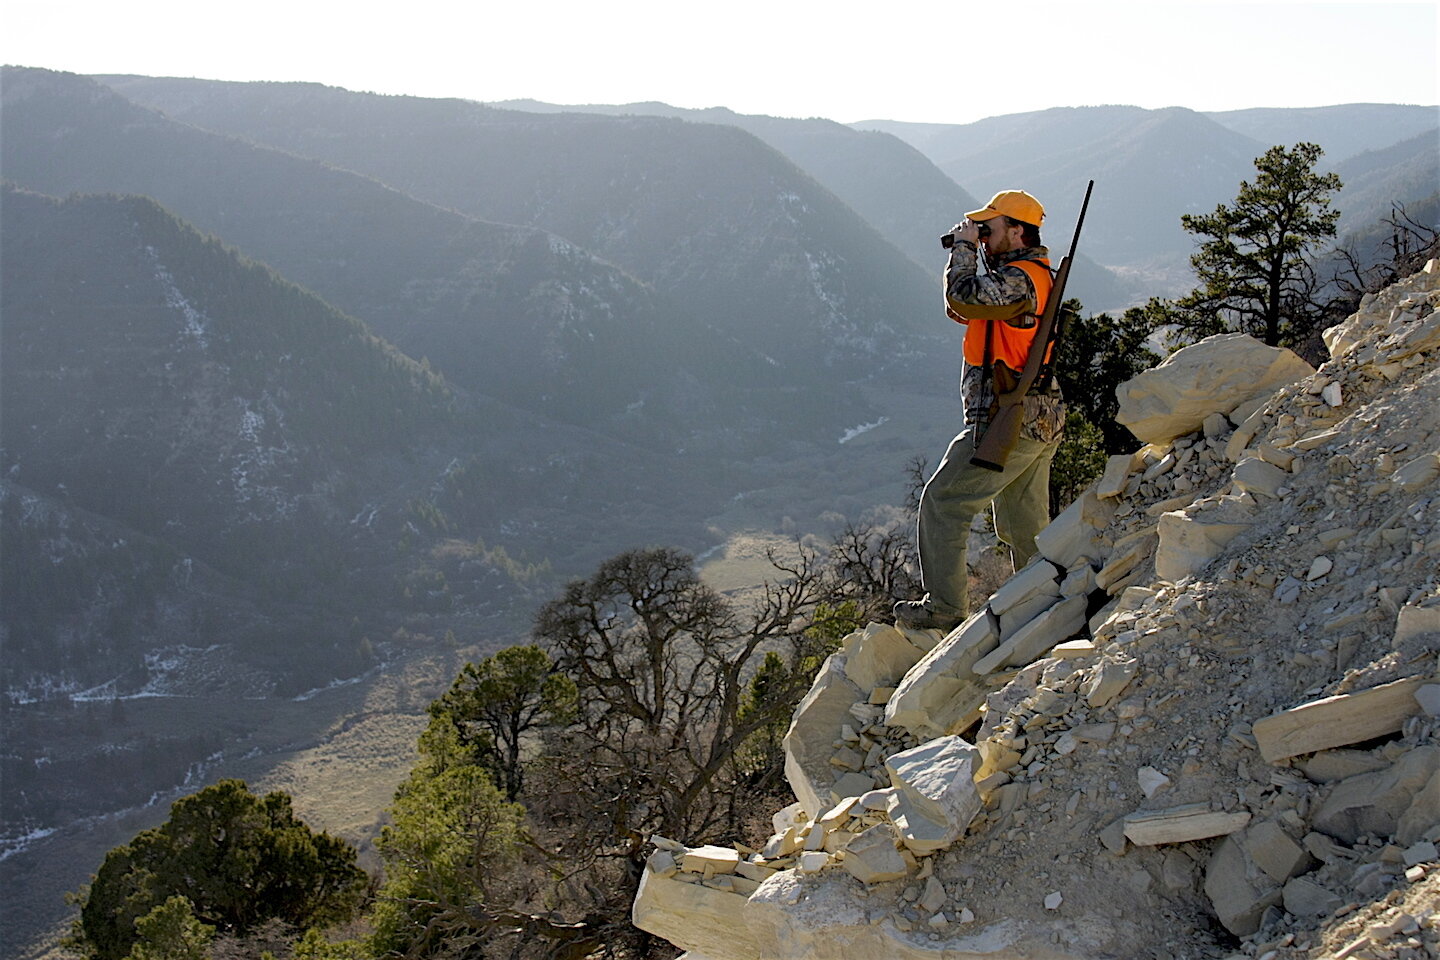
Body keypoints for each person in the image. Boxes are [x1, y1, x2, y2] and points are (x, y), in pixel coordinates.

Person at [893, 189, 1066, 632]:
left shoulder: (1020, 277)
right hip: (1037, 418)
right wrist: (971, 254)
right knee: (1022, 522)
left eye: (991, 228)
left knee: (944, 503)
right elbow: (961, 307)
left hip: (1007, 418)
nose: (984, 235)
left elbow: (965, 297)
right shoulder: (1026, 275)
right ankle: (1045, 602)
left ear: (1018, 229)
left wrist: (966, 249)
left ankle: (944, 609)